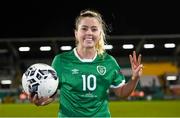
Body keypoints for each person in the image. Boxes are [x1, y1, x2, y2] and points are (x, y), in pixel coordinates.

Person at [29, 9, 143, 117]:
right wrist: (42, 102)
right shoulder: (60, 61)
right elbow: (52, 95)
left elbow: (122, 93)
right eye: (84, 28)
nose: (89, 33)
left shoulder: (109, 62)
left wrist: (135, 78)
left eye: (94, 29)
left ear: (99, 34)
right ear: (76, 33)